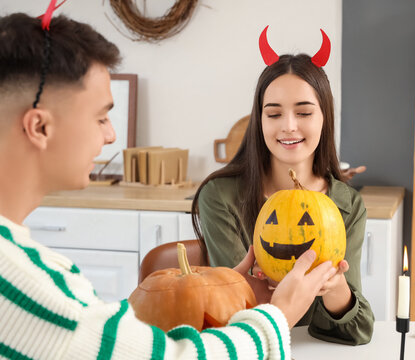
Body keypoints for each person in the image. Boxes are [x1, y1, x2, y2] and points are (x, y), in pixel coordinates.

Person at [0, 11, 339, 360]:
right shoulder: (20, 283)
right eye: (101, 117)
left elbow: (103, 336)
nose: (111, 134)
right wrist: (278, 316)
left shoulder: (32, 269)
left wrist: (231, 288)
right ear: (39, 127)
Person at [192, 28, 375, 346]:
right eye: (274, 113)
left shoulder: (347, 204)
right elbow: (232, 311)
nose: (288, 125)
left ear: (324, 118)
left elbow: (357, 331)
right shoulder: (220, 196)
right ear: (259, 120)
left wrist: (335, 288)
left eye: (303, 112)